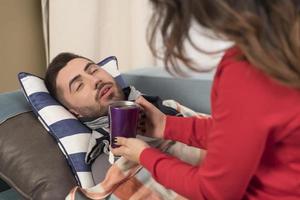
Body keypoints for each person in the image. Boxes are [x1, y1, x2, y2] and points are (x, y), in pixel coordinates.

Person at [111, 0, 300, 199]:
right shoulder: (281, 49)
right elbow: (240, 133)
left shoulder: (248, 72)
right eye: (78, 84)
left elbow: (213, 192)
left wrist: (145, 155)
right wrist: (166, 125)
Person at [44, 52, 201, 184]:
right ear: (74, 112)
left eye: (93, 70)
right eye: (79, 85)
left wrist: (168, 125)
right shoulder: (105, 162)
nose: (95, 80)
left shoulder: (169, 107)